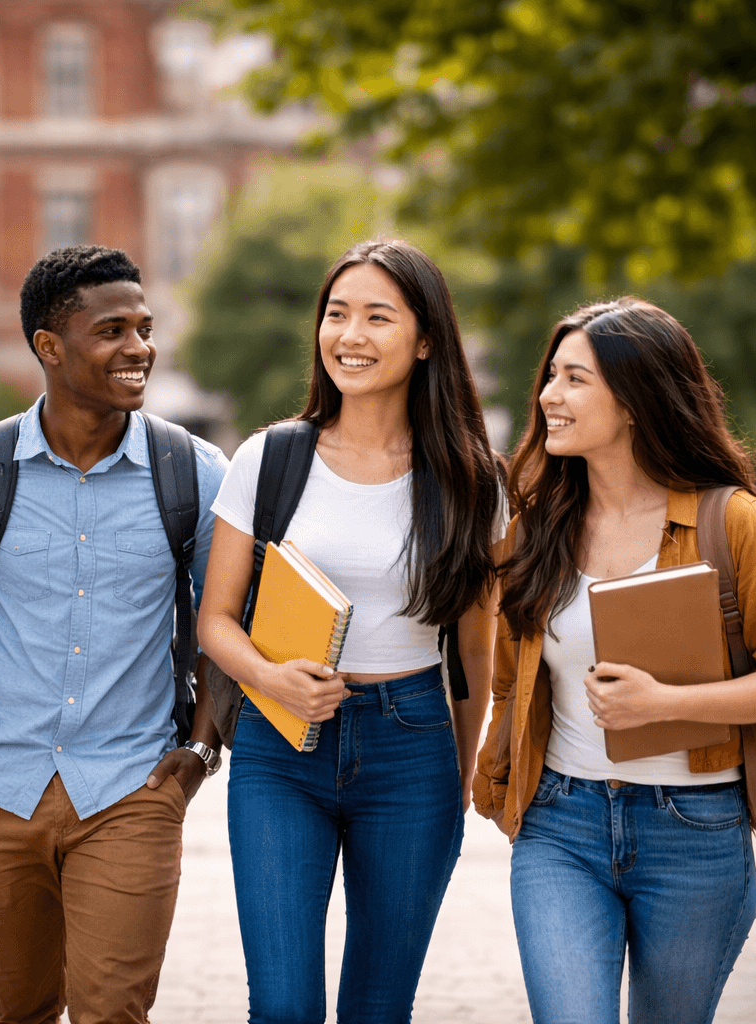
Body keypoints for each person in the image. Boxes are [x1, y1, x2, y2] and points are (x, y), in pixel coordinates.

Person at [475, 298, 756, 1023]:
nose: (548, 394)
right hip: (560, 826)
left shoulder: (731, 521)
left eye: (575, 379)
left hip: (695, 831)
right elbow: (513, 684)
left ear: (636, 401)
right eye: (551, 375)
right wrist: (496, 781)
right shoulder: (535, 527)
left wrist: (668, 704)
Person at [0, 245, 230, 1024]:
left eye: (144, 329)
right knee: (18, 1009)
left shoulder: (198, 475)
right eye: (112, 330)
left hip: (133, 787)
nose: (140, 348)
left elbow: (225, 632)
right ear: (50, 347)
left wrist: (201, 752)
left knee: (112, 1011)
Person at [198, 239, 504, 1023]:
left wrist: (459, 774)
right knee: (285, 1006)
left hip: (414, 749)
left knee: (378, 1006)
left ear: (426, 338)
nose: (350, 336)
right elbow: (215, 621)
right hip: (279, 749)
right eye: (336, 315)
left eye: (377, 317)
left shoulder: (472, 480)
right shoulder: (269, 458)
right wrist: (268, 678)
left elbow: (475, 648)